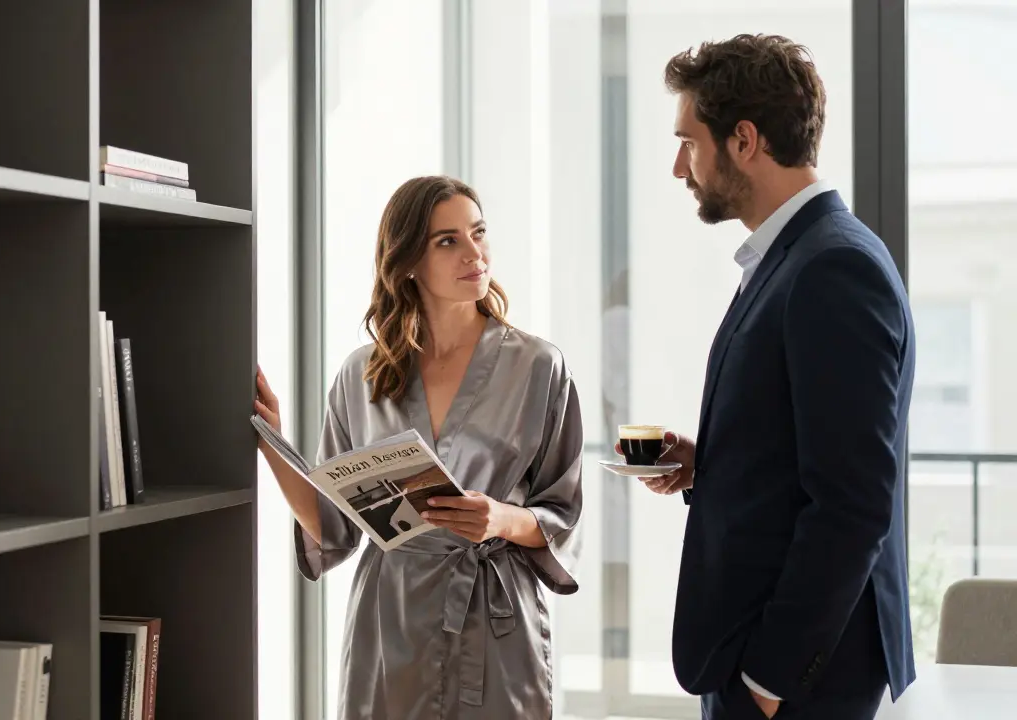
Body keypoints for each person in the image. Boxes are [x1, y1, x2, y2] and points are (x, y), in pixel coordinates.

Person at [643, 34, 917, 719]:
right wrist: (712, 461)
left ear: (744, 141)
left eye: (689, 141)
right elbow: (807, 451)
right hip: (763, 658)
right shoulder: (793, 257)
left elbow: (854, 505)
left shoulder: (832, 268)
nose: (680, 165)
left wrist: (769, 681)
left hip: (797, 679)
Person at [254, 175, 584, 719]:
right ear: (406, 261)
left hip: (493, 616)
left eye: (478, 233)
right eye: (448, 241)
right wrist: (274, 445)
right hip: (390, 622)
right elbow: (332, 528)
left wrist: (497, 519)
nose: (474, 253)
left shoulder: (538, 366)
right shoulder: (361, 374)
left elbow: (562, 513)